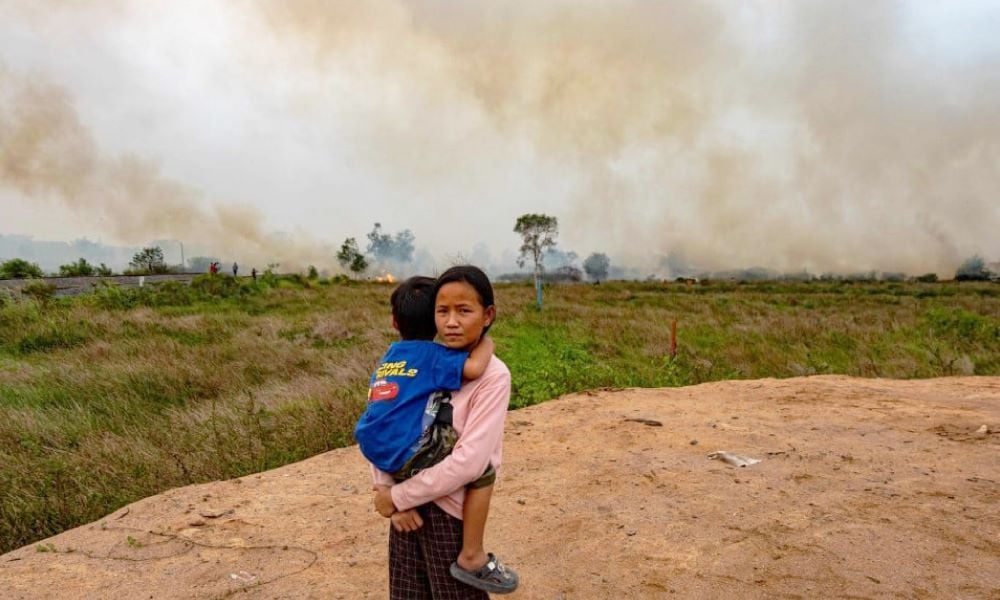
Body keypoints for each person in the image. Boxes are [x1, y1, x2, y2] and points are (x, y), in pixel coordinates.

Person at [368, 266, 519, 598]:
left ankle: (472, 554)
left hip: (449, 511)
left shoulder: (493, 377)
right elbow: (383, 424)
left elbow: (470, 463)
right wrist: (388, 491)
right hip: (405, 510)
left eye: (464, 311)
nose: (452, 321)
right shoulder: (420, 363)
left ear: (488, 314)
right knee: (409, 593)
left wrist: (394, 497)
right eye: (442, 311)